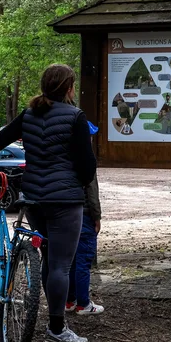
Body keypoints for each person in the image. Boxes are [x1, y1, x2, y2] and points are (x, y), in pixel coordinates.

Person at [0, 63, 96, 342]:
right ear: (69, 88)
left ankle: (45, 313)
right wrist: (78, 183)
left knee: (48, 258)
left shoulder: (29, 115)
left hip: (34, 198)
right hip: (65, 201)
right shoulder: (76, 117)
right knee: (60, 265)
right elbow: (87, 167)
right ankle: (57, 329)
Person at [66, 121, 104, 315]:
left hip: (67, 215)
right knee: (83, 261)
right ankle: (83, 303)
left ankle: (69, 300)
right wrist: (97, 217)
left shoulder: (67, 158)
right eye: (89, 136)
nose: (91, 139)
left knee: (71, 260)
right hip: (85, 216)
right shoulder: (87, 160)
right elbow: (92, 192)